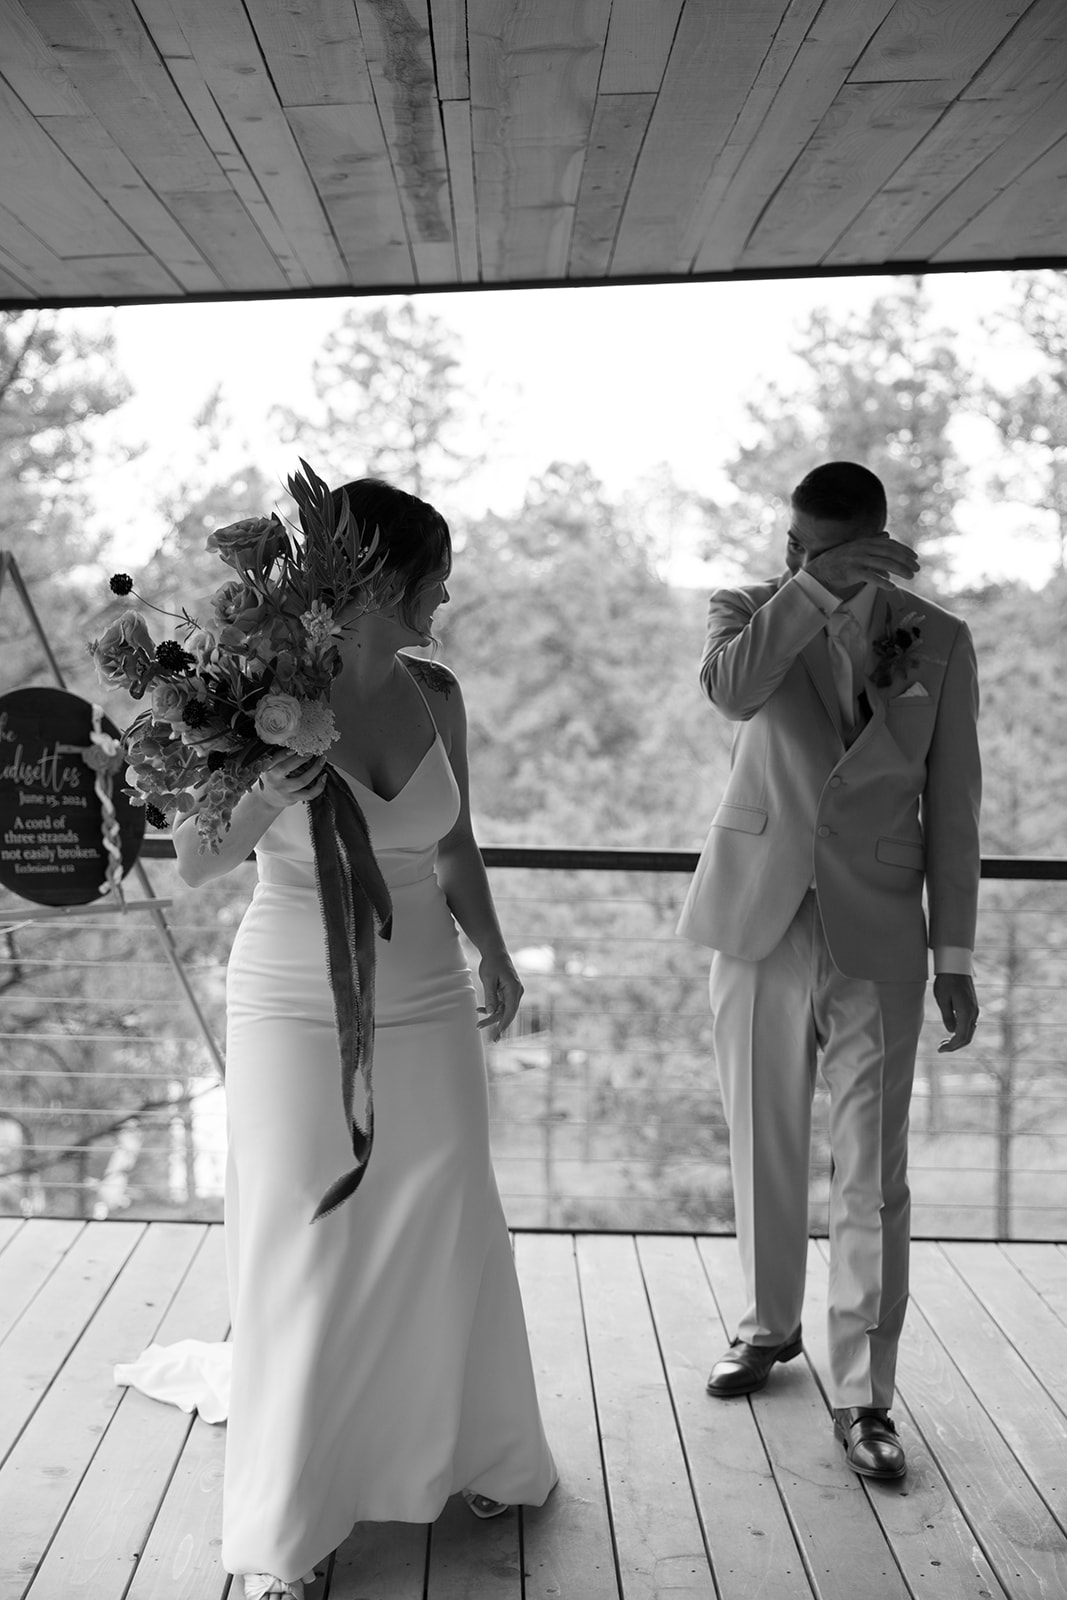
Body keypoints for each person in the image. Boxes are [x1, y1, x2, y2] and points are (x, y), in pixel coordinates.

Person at [121, 479, 557, 1598]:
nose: (446, 597)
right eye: (435, 577)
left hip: (424, 992)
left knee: (449, 1207)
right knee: (305, 1241)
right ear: (373, 582)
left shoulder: (435, 692)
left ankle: (459, 1443)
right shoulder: (252, 693)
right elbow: (198, 863)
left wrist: (494, 954)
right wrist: (265, 791)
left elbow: (455, 846)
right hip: (291, 999)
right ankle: (295, 1527)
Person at [677, 461, 981, 1481]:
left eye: (821, 549)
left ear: (874, 542)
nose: (792, 561)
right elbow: (729, 692)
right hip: (758, 913)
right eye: (791, 546)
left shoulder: (937, 640)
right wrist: (809, 589)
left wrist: (954, 955)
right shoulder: (749, 613)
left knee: (870, 1172)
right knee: (763, 1138)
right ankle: (768, 1326)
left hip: (883, 928)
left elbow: (952, 807)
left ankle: (863, 1395)